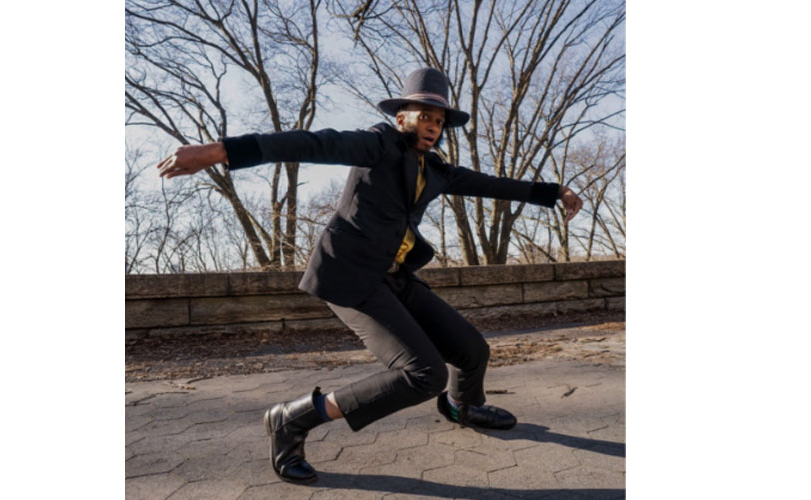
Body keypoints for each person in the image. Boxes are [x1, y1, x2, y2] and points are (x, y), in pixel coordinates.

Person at [156, 67, 583, 484]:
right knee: (422, 374)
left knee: (472, 350)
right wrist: (221, 151)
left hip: (394, 275)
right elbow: (313, 143)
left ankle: (461, 406)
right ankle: (292, 419)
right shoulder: (378, 144)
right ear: (402, 118)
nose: (433, 126)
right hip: (349, 275)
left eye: (439, 120)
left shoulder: (434, 170)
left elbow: (491, 184)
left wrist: (554, 192)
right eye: (424, 116)